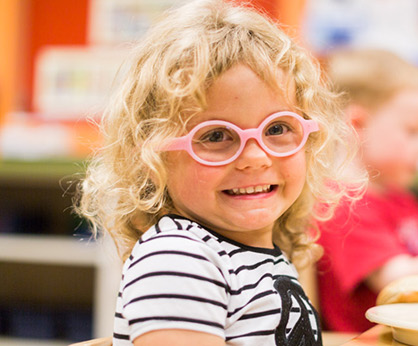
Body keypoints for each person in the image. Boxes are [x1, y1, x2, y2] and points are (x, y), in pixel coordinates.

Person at [75, 1, 364, 345]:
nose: (255, 158)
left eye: (277, 129)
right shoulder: (179, 261)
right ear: (151, 159)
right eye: (216, 136)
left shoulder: (257, 256)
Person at [314, 49, 418, 332]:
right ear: (358, 125)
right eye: (413, 131)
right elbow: (397, 280)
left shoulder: (396, 196)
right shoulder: (341, 205)